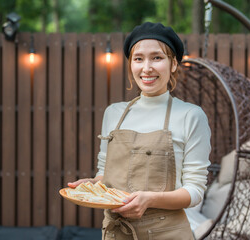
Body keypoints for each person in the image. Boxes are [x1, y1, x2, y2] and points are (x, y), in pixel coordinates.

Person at [68, 22, 211, 240]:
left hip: (167, 233)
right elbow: (106, 173)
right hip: (116, 233)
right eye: (138, 59)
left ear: (173, 64)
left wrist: (149, 199)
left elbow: (194, 192)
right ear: (130, 65)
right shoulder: (114, 114)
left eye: (157, 58)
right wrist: (92, 185)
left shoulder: (191, 116)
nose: (146, 68)